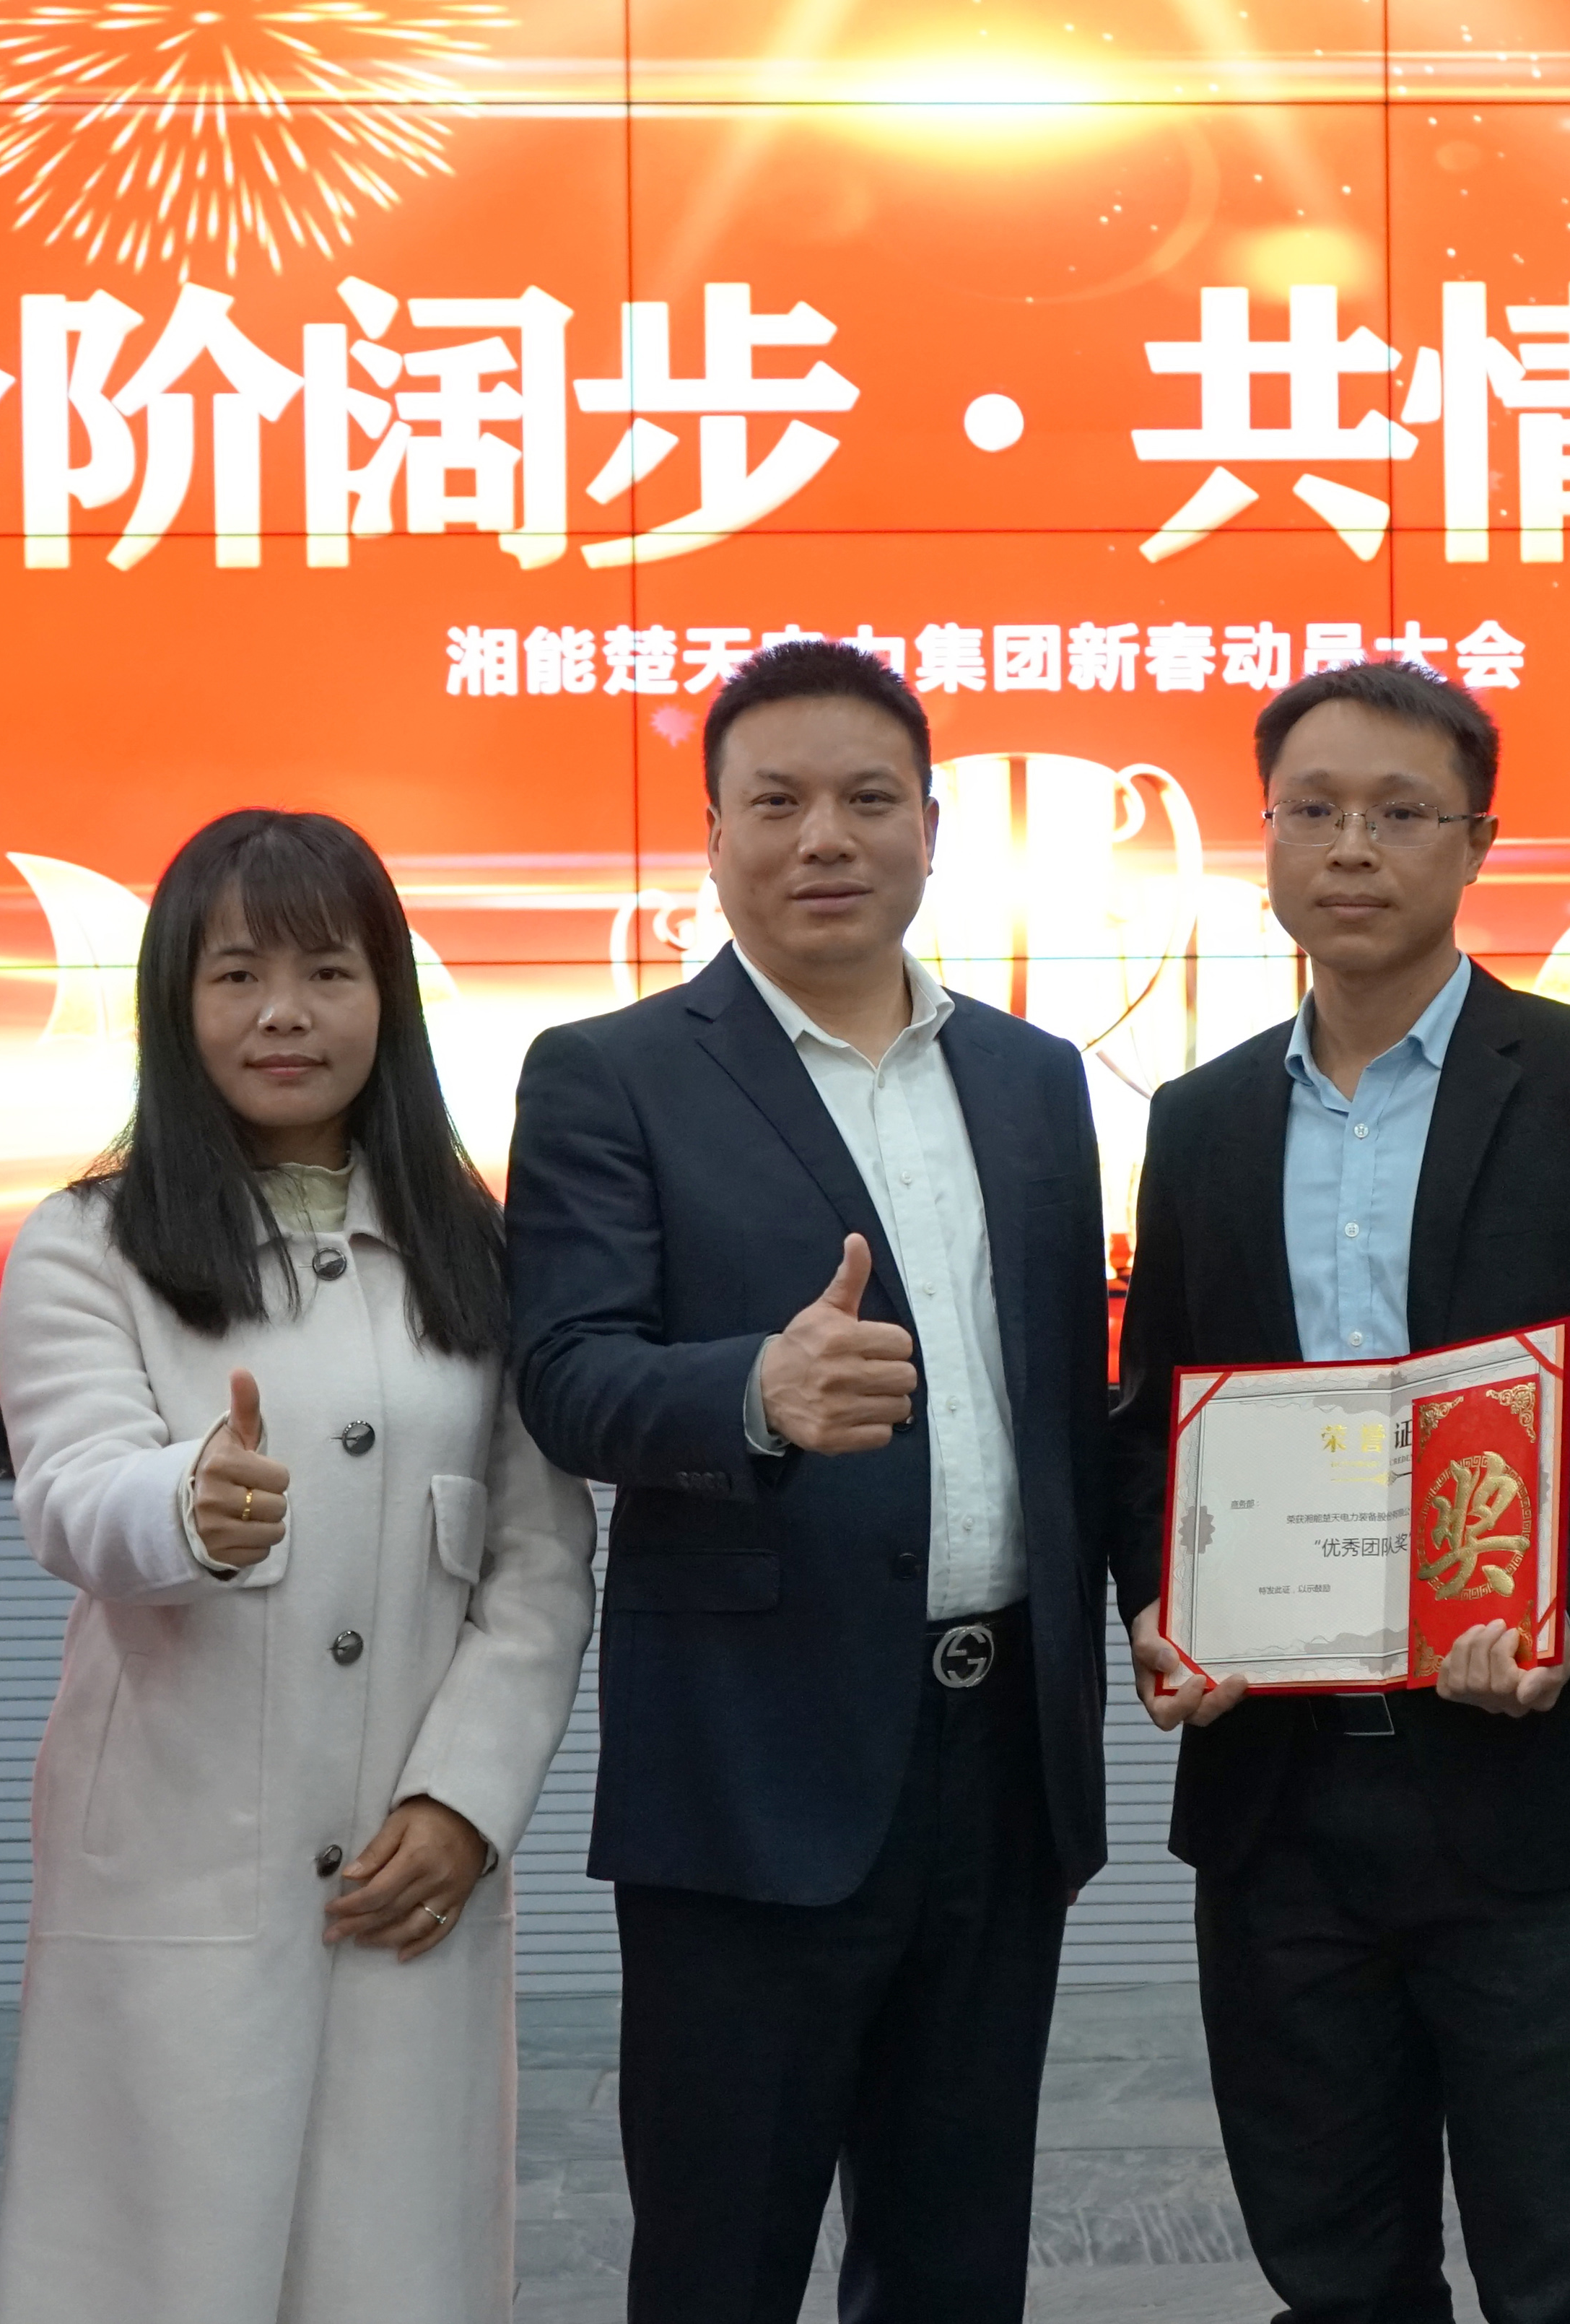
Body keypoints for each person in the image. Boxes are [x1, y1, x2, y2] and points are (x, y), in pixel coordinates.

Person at [1113, 661, 1570, 2324]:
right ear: (1264, 838)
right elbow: (1153, 1424)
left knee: (1564, 2268)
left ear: (1477, 839)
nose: (1353, 846)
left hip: (1529, 1784)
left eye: (1400, 811)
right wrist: (1161, 1600)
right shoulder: (1198, 1120)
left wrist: (1564, 1607)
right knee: (1332, 2269)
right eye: (1314, 809)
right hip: (1278, 1797)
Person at [504, 637, 1116, 2324]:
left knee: (956, 2260)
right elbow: (564, 1369)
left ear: (932, 828)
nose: (824, 836)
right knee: (723, 2261)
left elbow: (1070, 1402)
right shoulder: (609, 1072)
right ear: (712, 836)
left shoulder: (1032, 1077)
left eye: (867, 798)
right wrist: (751, 1391)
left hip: (1001, 1760)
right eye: (775, 802)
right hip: (749, 1767)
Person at [0, 809, 595, 2324]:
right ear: (174, 1003)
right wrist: (187, 1507)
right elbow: (70, 1493)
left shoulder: (479, 1250)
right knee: (155, 2276)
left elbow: (536, 1559)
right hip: (176, 1867)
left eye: (329, 972)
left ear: (388, 996)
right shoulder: (85, 1243)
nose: (284, 1013)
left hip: (404, 1869)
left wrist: (464, 1801)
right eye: (237, 974)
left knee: (394, 2272)